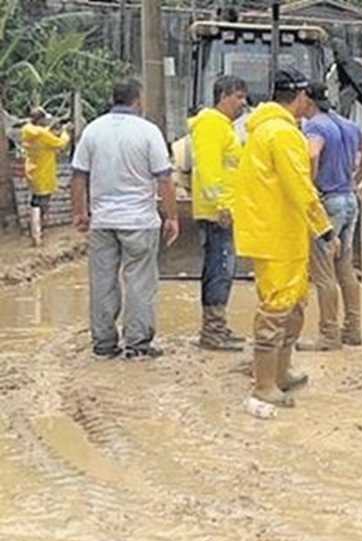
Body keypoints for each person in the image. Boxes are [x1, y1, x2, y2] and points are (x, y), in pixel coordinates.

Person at [232, 68, 333, 417]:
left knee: (294, 302)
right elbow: (299, 187)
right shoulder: (283, 134)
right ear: (301, 96)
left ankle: (280, 372)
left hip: (274, 230)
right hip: (278, 233)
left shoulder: (263, 130)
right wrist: (325, 228)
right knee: (277, 308)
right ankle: (264, 384)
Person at [71, 79, 179, 360]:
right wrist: (171, 217)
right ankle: (137, 345)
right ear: (138, 99)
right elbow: (164, 179)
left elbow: (78, 176)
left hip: (103, 221)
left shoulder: (93, 130)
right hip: (140, 222)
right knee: (140, 282)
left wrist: (80, 213)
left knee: (102, 281)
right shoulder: (148, 131)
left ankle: (104, 344)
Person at [299, 82, 362, 351]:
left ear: (307, 101)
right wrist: (355, 180)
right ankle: (353, 329)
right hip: (349, 200)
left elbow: (312, 153)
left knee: (323, 272)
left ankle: (328, 334)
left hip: (328, 202)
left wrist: (310, 186)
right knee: (345, 266)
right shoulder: (348, 124)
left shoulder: (314, 126)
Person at [189, 74, 248, 351]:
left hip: (224, 209)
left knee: (222, 269)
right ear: (222, 95)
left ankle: (217, 327)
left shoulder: (223, 126)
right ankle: (212, 331)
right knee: (219, 269)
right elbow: (209, 168)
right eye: (238, 96)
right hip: (217, 213)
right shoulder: (211, 123)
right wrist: (222, 204)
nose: (243, 103)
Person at [21, 107, 71, 246]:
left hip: (32, 170)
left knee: (34, 200)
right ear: (40, 119)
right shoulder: (42, 134)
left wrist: (49, 129)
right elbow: (60, 144)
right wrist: (65, 132)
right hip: (44, 172)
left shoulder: (27, 130)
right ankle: (38, 233)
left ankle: (34, 230)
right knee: (43, 203)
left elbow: (42, 135)